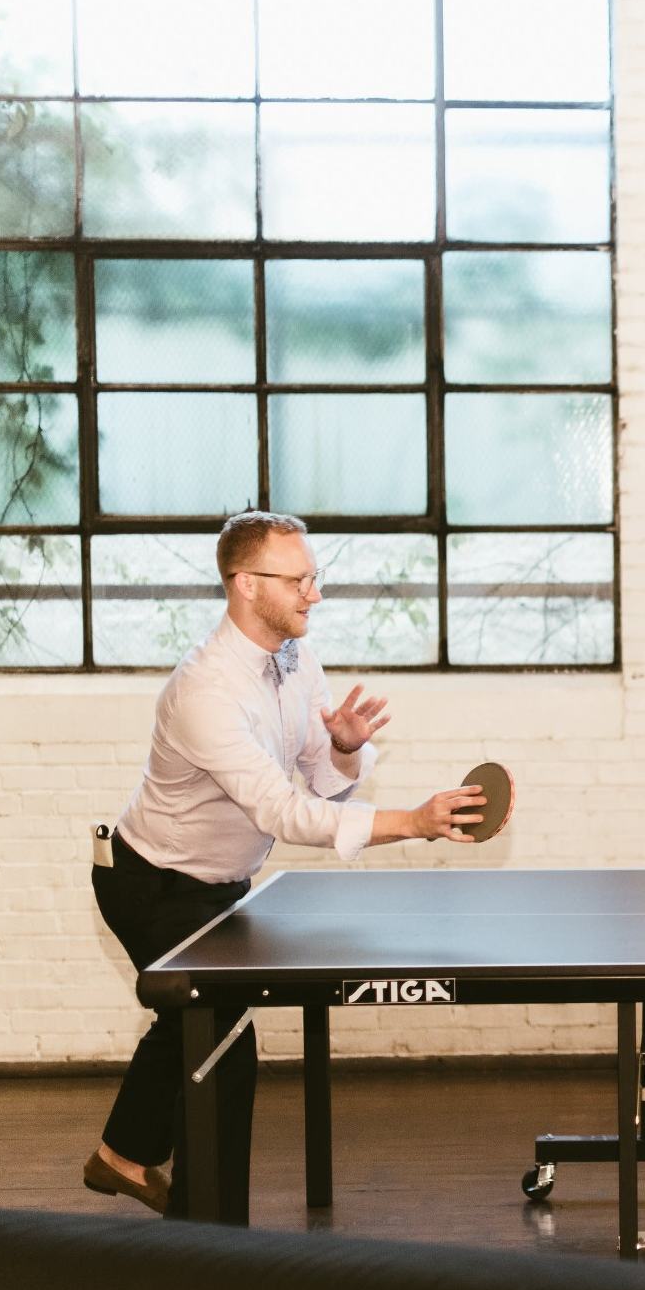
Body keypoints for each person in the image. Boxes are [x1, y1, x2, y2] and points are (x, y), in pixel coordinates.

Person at [83, 511, 487, 1224]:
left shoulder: (293, 658)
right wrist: (413, 823)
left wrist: (345, 749)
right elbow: (284, 814)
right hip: (150, 882)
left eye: (314, 577)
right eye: (298, 580)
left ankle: (120, 1155)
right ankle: (217, 1238)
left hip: (219, 883)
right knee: (224, 1043)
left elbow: (321, 783)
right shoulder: (205, 693)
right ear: (245, 585)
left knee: (187, 1022)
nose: (314, 594)